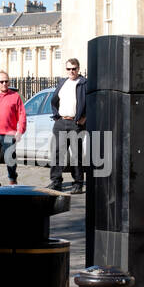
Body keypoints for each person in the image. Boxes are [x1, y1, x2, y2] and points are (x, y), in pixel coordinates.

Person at [49, 57, 87, 194]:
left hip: (75, 123)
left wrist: (84, 118)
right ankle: (56, 182)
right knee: (58, 153)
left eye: (74, 68)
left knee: (76, 154)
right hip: (61, 122)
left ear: (78, 69)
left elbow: (91, 102)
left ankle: (78, 183)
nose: (71, 71)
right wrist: (57, 116)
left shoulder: (84, 83)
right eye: (69, 69)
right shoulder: (62, 83)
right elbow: (54, 100)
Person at [0, 70, 26, 186]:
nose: (4, 84)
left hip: (9, 134)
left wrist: (20, 131)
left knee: (10, 160)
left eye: (6, 81)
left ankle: (12, 179)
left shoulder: (15, 96)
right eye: (2, 81)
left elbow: (22, 114)